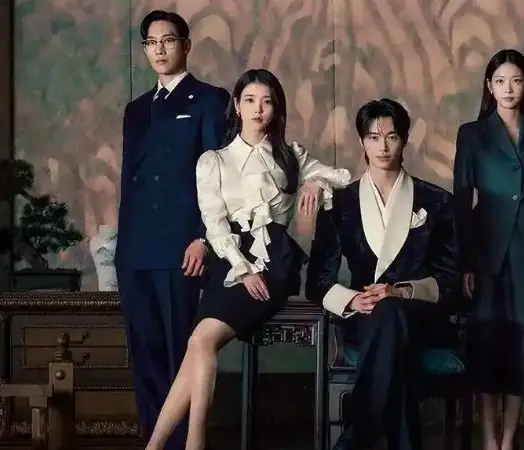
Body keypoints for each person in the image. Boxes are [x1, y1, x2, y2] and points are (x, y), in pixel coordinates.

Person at [142, 68, 351, 450]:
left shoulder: (291, 155)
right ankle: (162, 446)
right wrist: (241, 270)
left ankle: (190, 443)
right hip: (230, 262)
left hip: (276, 262)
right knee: (199, 343)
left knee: (200, 341)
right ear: (237, 106)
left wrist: (313, 181)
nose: (258, 109)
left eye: (267, 102)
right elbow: (214, 224)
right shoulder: (214, 161)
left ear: (277, 109)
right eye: (250, 101)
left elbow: (342, 177)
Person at [305, 98, 460, 450]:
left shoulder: (436, 200)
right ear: (362, 141)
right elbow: (317, 281)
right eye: (374, 138)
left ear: (404, 139)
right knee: (388, 326)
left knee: (391, 312)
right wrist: (353, 300)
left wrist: (401, 291)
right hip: (364, 318)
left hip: (420, 317)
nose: (383, 147)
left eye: (391, 137)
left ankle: (358, 435)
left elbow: (450, 279)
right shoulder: (340, 202)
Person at [114, 10, 230, 449]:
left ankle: (183, 443)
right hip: (136, 248)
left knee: (179, 351)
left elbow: (219, 177)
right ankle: (154, 440)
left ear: (186, 45)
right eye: (151, 42)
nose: (159, 49)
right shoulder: (136, 110)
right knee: (144, 352)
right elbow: (130, 181)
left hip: (182, 247)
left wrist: (203, 237)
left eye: (168, 40)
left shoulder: (210, 100)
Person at [453, 49, 524, 450]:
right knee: (488, 349)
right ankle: (489, 441)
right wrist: (465, 262)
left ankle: (508, 441)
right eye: (500, 81)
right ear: (489, 86)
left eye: (516, 81)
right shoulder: (472, 134)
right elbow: (461, 203)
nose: (508, 89)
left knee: (522, 352)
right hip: (485, 253)